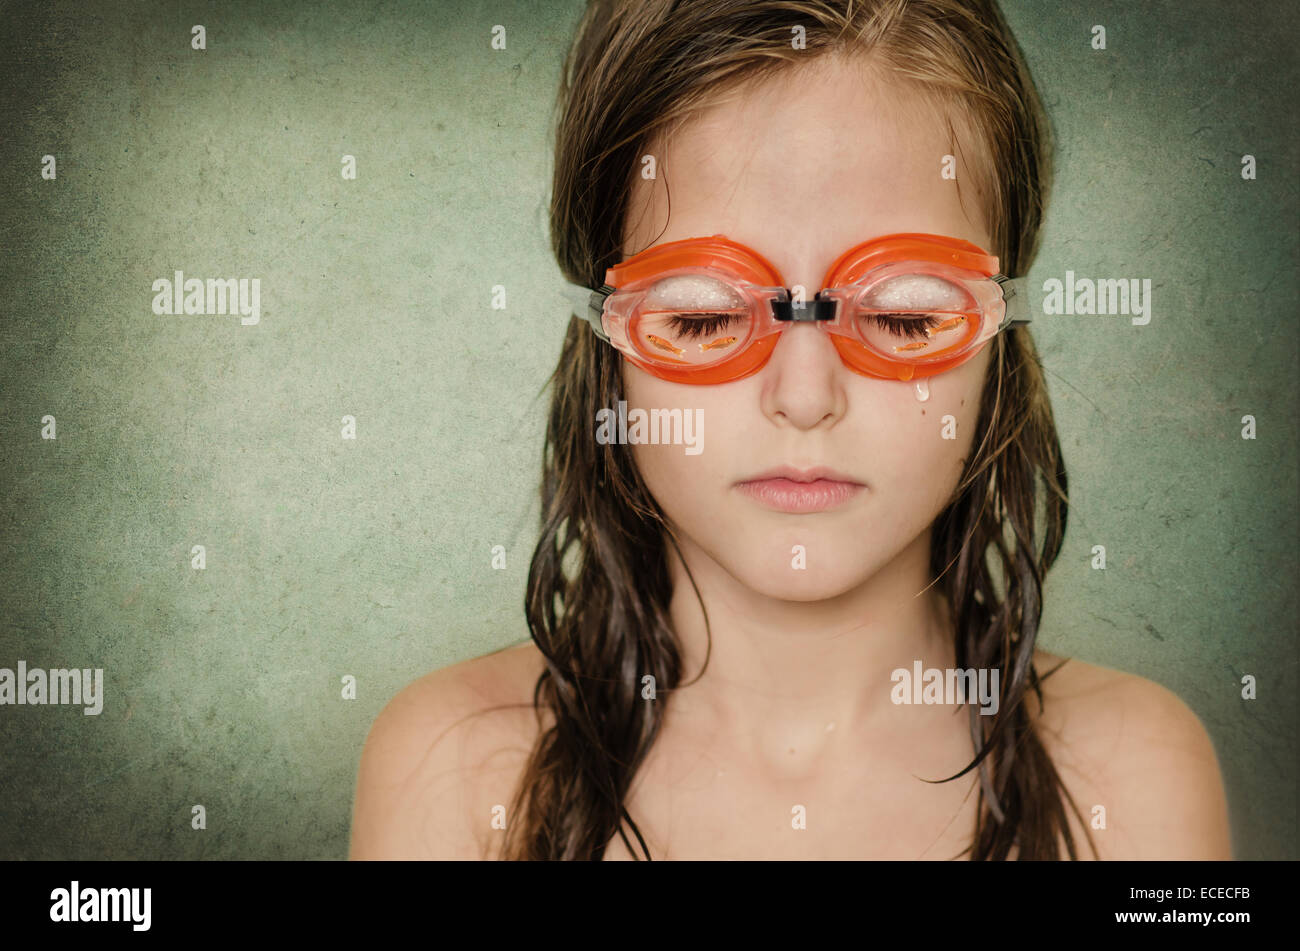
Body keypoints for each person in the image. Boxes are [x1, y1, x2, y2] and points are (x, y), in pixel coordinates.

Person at [349, 0, 1231, 860]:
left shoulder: (1132, 778)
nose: (805, 396)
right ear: (606, 337)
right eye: (700, 318)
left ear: (1000, 337)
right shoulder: (457, 772)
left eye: (905, 316)